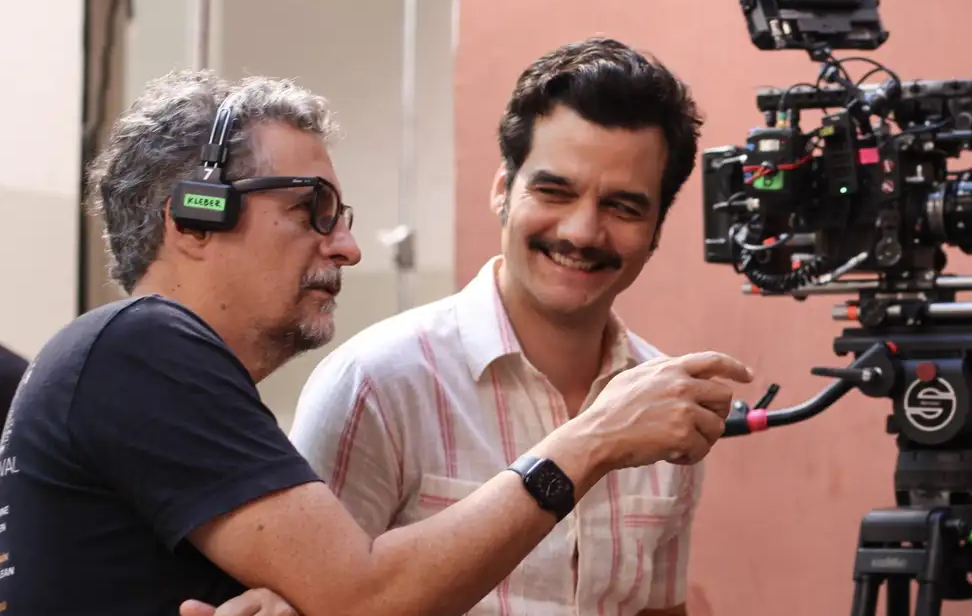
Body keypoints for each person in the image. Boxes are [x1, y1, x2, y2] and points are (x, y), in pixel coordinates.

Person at [0, 68, 751, 616]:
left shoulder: (146, 361)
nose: (347, 247)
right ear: (196, 216)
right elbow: (364, 597)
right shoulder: (145, 347)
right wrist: (589, 443)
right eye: (313, 210)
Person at [288, 37, 711, 615]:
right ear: (501, 192)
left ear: (657, 228)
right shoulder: (376, 384)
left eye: (623, 207)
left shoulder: (664, 402)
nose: (582, 232)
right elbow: (318, 602)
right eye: (554, 191)